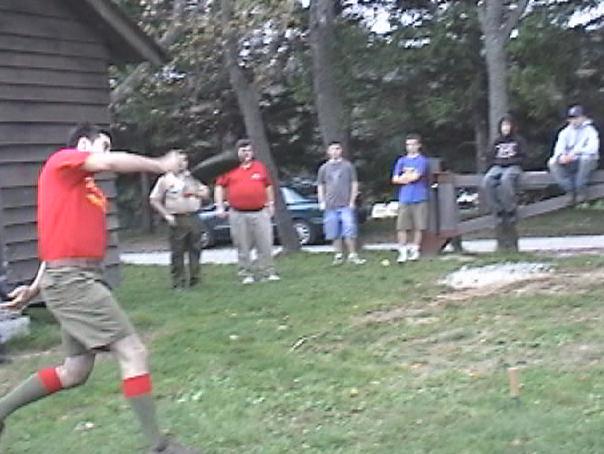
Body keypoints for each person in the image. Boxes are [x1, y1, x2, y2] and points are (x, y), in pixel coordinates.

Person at [0, 123, 199, 454]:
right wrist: (160, 165)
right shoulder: (63, 162)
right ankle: (159, 446)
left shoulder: (85, 187)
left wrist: (34, 288)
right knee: (133, 351)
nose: (106, 153)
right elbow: (107, 163)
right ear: (83, 144)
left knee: (75, 371)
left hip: (75, 277)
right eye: (102, 145)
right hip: (72, 281)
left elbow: (61, 237)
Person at [214, 139, 280, 284]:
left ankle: (267, 272)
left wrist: (271, 204)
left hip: (260, 212)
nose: (247, 153)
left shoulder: (259, 167)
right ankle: (246, 274)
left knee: (265, 243)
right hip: (238, 213)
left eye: (249, 150)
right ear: (237, 152)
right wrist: (219, 206)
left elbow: (268, 186)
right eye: (244, 150)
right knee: (242, 244)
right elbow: (219, 187)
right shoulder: (229, 168)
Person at [150, 153, 209, 289]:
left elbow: (205, 193)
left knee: (196, 249)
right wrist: (166, 215)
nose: (183, 163)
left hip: (194, 216)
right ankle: (178, 282)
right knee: (178, 251)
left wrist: (195, 193)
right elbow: (154, 199)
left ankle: (195, 280)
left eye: (185, 160)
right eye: (179, 160)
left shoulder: (193, 177)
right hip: (177, 218)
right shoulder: (165, 180)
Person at [317, 141, 366, 265]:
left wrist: (352, 201)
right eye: (332, 149)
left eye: (337, 149)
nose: (335, 151)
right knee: (333, 231)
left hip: (345, 205)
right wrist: (321, 201)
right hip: (330, 206)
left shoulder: (348, 166)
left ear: (341, 151)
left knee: (349, 230)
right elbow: (320, 186)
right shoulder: (323, 168)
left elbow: (354, 184)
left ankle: (352, 255)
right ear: (328, 152)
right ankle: (338, 255)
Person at [548, 105, 600, 203]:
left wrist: (575, 154)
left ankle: (581, 190)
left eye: (576, 117)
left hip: (587, 161)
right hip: (570, 162)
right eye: (571, 118)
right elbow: (558, 149)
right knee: (552, 162)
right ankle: (569, 190)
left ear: (583, 117)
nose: (574, 120)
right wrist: (561, 157)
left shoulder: (591, 131)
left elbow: (593, 149)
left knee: (586, 159)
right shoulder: (564, 133)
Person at [391, 133, 429, 263]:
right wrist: (407, 177)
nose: (410, 147)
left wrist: (405, 177)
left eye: (413, 144)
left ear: (419, 146)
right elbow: (395, 179)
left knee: (419, 226)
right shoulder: (401, 161)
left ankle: (415, 249)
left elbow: (416, 177)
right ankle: (402, 251)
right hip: (404, 198)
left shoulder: (422, 160)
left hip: (419, 197)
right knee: (402, 226)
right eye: (408, 145)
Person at [482, 114, 527, 224]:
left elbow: (523, 157)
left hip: (513, 166)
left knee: (505, 180)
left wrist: (511, 162)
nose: (505, 128)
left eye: (508, 125)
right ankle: (498, 211)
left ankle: (511, 210)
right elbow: (490, 157)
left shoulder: (518, 140)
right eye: (503, 125)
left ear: (512, 126)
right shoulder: (497, 141)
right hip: (498, 166)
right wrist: (493, 164)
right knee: (487, 181)